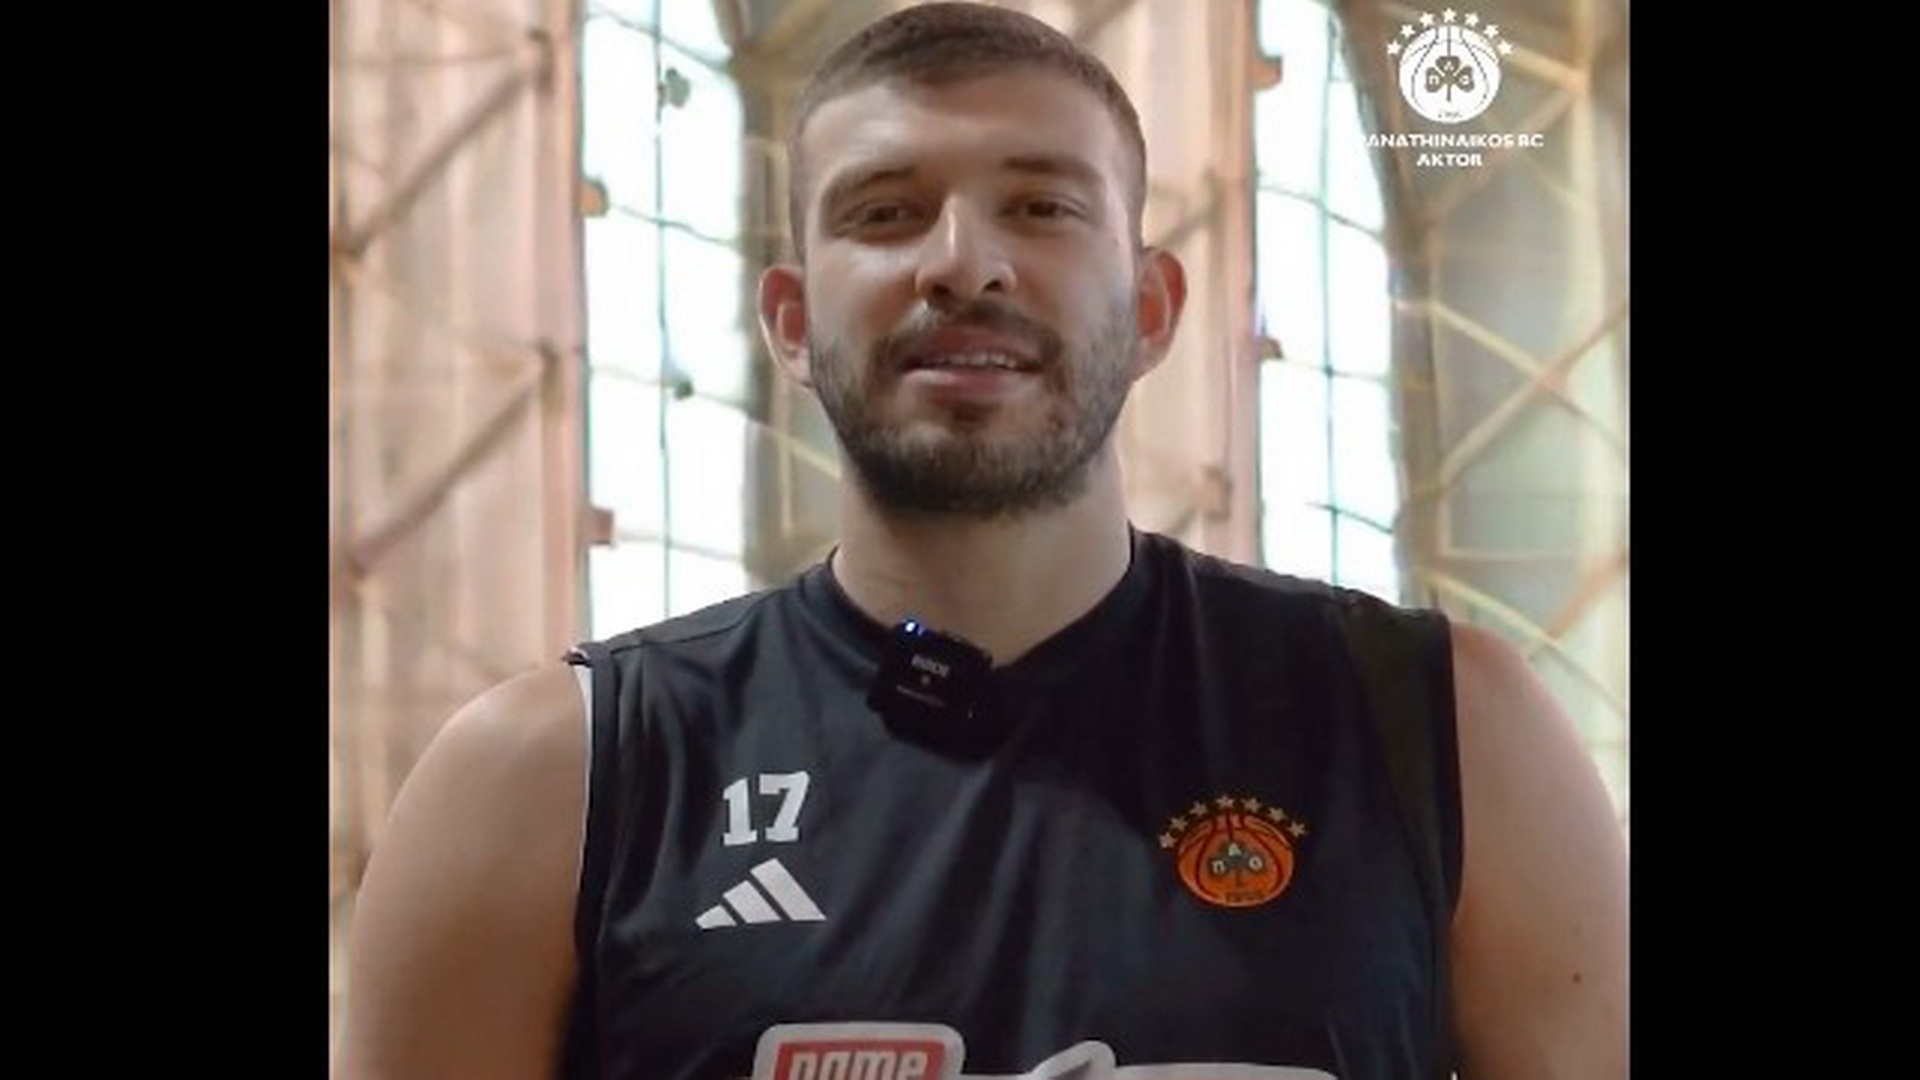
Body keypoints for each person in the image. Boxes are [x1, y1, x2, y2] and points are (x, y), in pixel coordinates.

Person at [332, 4, 1628, 1079]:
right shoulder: (549, 781)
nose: (964, 265)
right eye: (885, 213)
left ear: (1154, 308)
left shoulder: (1449, 731)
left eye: (1043, 208)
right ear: (792, 323)